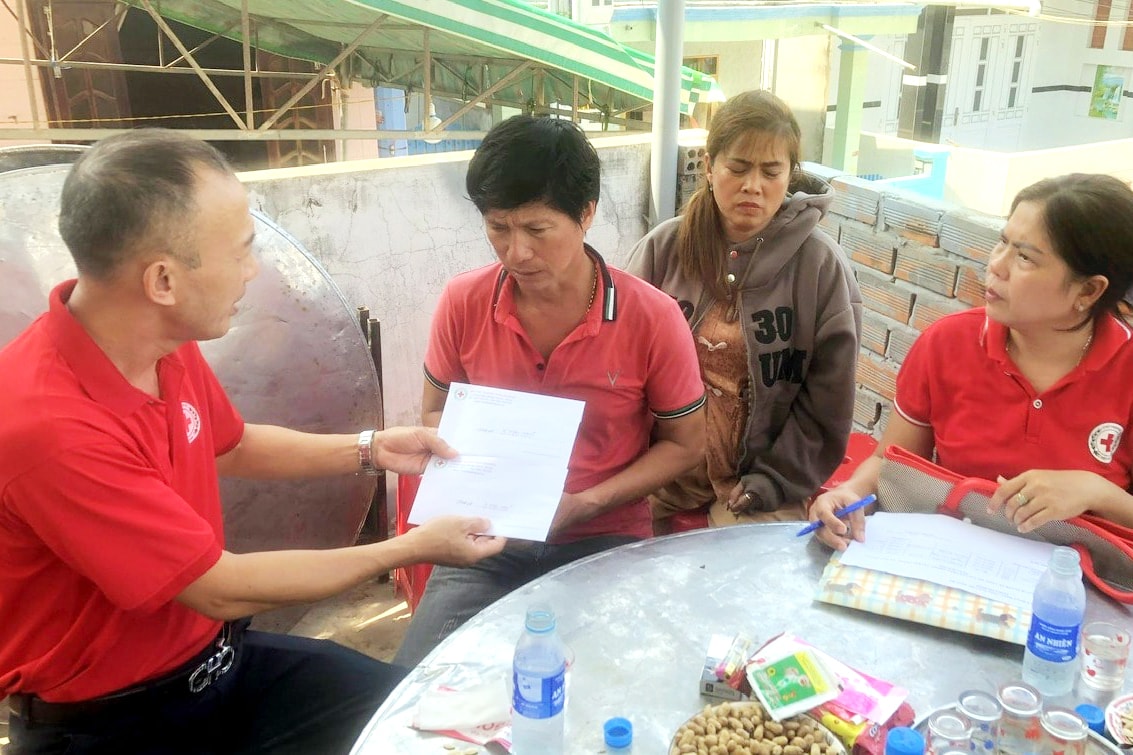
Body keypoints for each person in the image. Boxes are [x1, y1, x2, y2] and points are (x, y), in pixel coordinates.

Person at [0, 129, 506, 755]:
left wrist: (371, 448)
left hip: (221, 666)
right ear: (163, 280)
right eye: (241, 251)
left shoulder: (160, 341)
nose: (253, 270)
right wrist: (411, 548)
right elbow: (219, 584)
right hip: (114, 725)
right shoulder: (48, 427)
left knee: (418, 721)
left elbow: (233, 445)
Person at [393, 115, 706, 667]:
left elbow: (686, 444)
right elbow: (436, 413)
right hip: (484, 540)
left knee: (606, 686)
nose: (516, 252)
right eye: (498, 228)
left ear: (586, 214)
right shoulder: (463, 303)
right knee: (422, 682)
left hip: (603, 540)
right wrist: (481, 483)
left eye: (537, 230)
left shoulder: (653, 318)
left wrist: (583, 504)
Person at [810, 173, 1133, 551]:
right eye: (1003, 242)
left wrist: (1097, 492)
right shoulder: (947, 343)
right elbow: (891, 464)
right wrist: (848, 494)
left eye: (1025, 257)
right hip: (954, 562)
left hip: (1081, 578)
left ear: (1089, 290)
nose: (996, 265)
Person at [625, 90, 862, 530]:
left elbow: (827, 401)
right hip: (656, 475)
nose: (753, 185)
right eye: (737, 168)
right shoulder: (664, 249)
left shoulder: (820, 267)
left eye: (771, 172)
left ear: (790, 175)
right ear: (709, 166)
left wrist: (773, 481)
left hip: (761, 487)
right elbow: (616, 364)